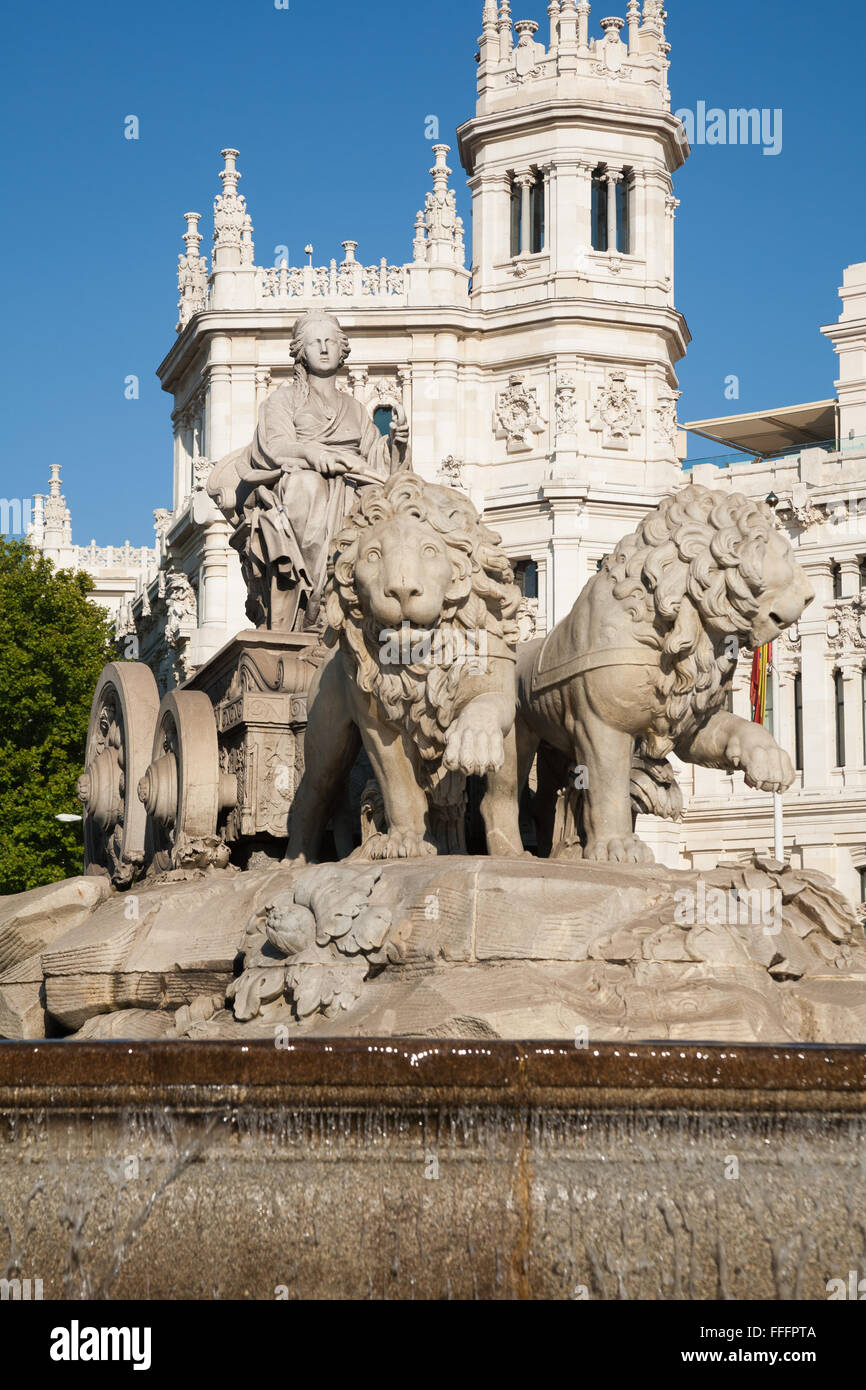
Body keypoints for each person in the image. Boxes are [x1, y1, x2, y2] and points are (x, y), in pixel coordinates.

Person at [208, 310, 409, 630]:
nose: (325, 348)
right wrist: (316, 455)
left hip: (355, 487)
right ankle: (319, 599)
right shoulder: (282, 400)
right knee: (306, 486)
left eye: (331, 341)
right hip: (299, 482)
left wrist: (396, 445)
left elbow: (377, 464)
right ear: (301, 351)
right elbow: (274, 447)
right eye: (316, 343)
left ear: (342, 349)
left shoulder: (356, 410)